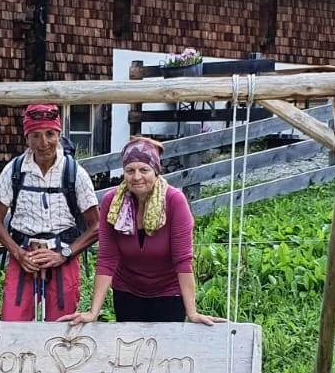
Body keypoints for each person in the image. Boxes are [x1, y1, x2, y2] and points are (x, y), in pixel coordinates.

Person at [60, 137, 220, 326]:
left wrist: (192, 313)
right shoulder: (112, 202)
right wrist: (93, 312)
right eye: (130, 170)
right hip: (127, 290)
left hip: (168, 292)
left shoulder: (174, 201)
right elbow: (107, 259)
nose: (136, 177)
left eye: (144, 170)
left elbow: (183, 260)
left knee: (164, 353)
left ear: (156, 171)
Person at [0, 103, 100, 321]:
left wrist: (63, 255)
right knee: (13, 324)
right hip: (23, 254)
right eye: (36, 135)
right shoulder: (14, 170)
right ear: (27, 137)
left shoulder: (74, 173)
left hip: (63, 255)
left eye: (50, 134)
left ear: (59, 133)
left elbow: (96, 226)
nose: (43, 143)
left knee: (62, 327)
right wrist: (17, 253)